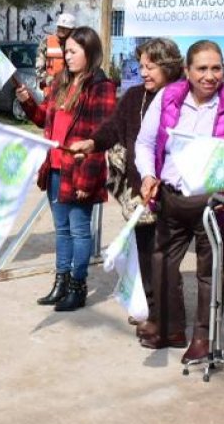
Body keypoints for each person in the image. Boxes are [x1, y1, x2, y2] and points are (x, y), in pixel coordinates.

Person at [133, 39, 224, 363]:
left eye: (216, 68)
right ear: (188, 72)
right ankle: (171, 328)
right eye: (202, 68)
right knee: (162, 264)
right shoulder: (167, 98)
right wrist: (148, 175)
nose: (210, 75)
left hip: (215, 204)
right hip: (172, 199)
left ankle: (203, 338)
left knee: (210, 272)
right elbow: (145, 143)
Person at [69, 38, 183, 322]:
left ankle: (167, 314)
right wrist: (92, 143)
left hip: (174, 191)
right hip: (140, 190)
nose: (144, 72)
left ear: (169, 66)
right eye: (141, 66)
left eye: (151, 66)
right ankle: (149, 306)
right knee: (144, 251)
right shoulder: (134, 97)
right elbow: (112, 128)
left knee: (166, 256)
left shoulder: (183, 97)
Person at [15, 26, 116, 311]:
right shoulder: (60, 81)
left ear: (90, 52)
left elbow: (100, 137)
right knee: (62, 230)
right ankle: (60, 282)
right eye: (65, 52)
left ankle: (77, 286)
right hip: (56, 167)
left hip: (80, 169)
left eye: (72, 52)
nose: (67, 57)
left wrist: (87, 180)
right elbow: (41, 119)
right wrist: (26, 101)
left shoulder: (100, 86)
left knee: (80, 230)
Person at [36, 13, 76, 87]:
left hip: (71, 88)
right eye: (60, 27)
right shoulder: (47, 42)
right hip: (51, 90)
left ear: (72, 30)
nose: (61, 30)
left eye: (65, 28)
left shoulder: (77, 43)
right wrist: (49, 80)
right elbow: (39, 68)